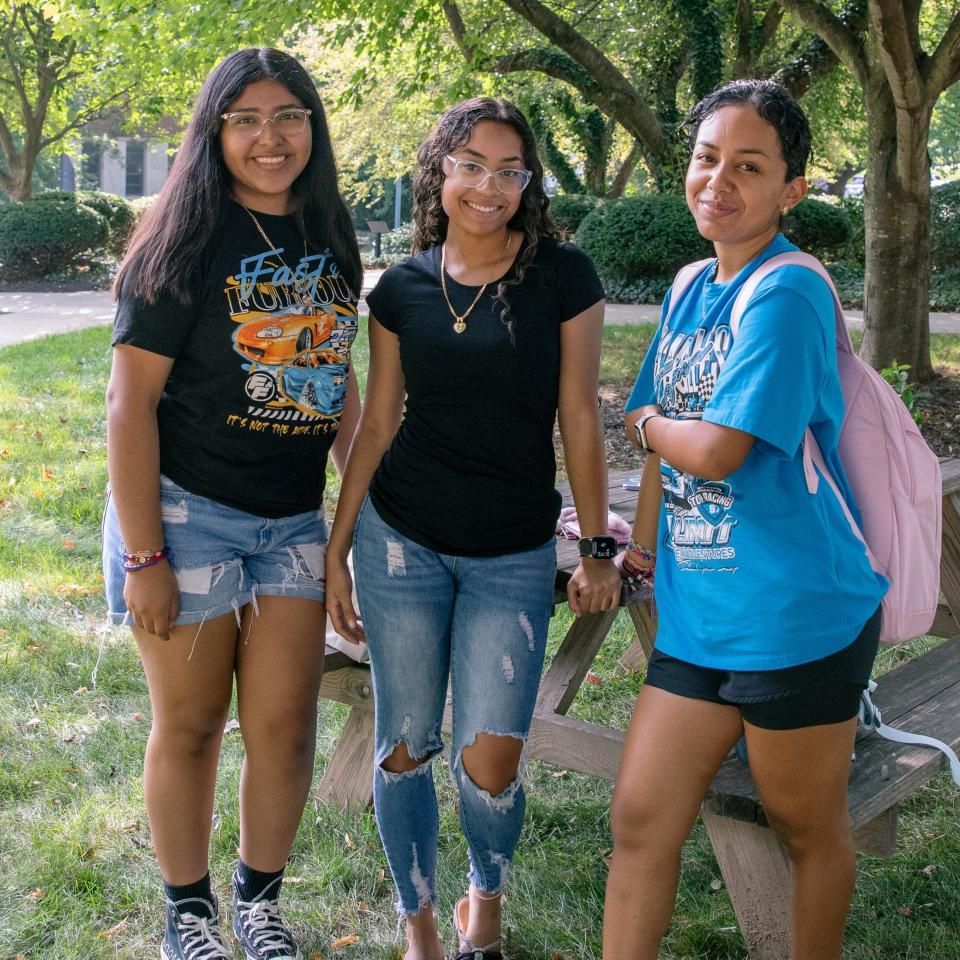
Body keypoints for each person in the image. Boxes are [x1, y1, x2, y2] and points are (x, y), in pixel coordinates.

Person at [325, 97, 621, 960]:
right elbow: (376, 425)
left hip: (512, 551)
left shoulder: (563, 275)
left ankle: (482, 896)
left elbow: (578, 414)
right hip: (399, 539)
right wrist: (339, 547)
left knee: (490, 758)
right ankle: (416, 917)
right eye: (471, 165)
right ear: (440, 171)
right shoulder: (406, 287)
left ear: (528, 183)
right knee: (404, 745)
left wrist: (598, 543)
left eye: (510, 170)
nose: (489, 186)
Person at [605, 79, 888, 960]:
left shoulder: (789, 291)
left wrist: (645, 421)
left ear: (790, 190)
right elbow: (663, 438)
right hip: (699, 615)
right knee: (641, 820)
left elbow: (714, 446)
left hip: (794, 615)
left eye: (749, 166)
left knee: (806, 829)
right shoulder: (692, 283)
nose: (718, 181)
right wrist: (643, 548)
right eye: (706, 158)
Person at [102, 48, 361, 960]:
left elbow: (335, 377)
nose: (269, 137)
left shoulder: (331, 231)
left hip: (290, 520)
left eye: (289, 115)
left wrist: (355, 512)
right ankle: (191, 917)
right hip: (185, 513)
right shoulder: (180, 245)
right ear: (214, 132)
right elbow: (128, 406)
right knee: (194, 724)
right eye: (245, 118)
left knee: (287, 726)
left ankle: (259, 904)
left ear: (312, 126)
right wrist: (144, 556)